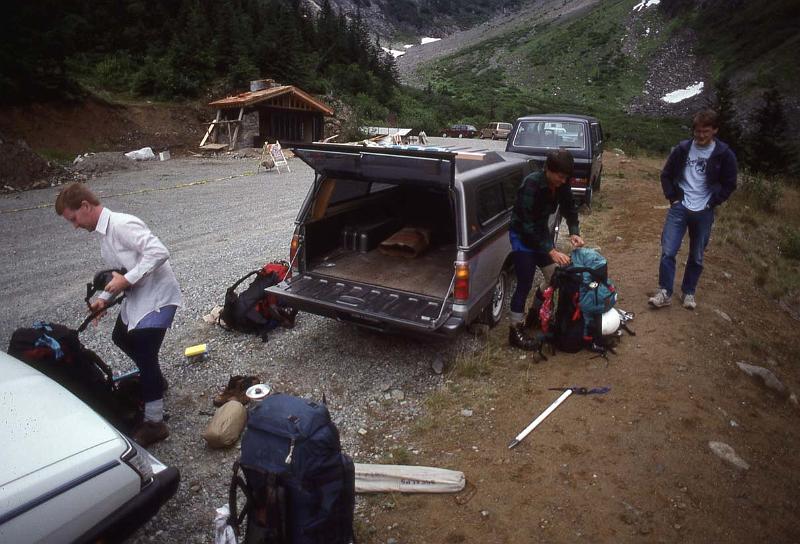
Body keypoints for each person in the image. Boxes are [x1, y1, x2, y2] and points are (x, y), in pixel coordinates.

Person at [56, 182, 182, 447]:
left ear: (85, 207)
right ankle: (154, 382)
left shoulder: (123, 224)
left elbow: (159, 252)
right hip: (140, 297)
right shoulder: (106, 236)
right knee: (120, 337)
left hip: (158, 297)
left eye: (74, 218)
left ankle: (155, 423)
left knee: (145, 352)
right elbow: (119, 274)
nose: (75, 225)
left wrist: (127, 281)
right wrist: (103, 299)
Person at [649, 109, 738, 310]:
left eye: (706, 131)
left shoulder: (724, 154)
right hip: (680, 207)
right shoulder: (682, 149)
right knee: (668, 250)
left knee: (697, 254)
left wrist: (713, 201)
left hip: (704, 210)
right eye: (697, 131)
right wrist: (673, 198)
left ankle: (688, 292)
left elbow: (730, 183)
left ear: (715, 130)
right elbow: (666, 174)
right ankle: (665, 292)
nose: (701, 135)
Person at [508, 149, 585, 350]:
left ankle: (534, 315)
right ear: (548, 170)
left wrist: (574, 231)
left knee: (554, 276)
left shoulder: (562, 184)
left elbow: (570, 208)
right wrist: (550, 250)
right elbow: (526, 225)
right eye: (560, 176)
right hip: (522, 236)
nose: (563, 181)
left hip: (540, 234)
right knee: (524, 282)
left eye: (566, 177)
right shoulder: (531, 184)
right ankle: (514, 330)